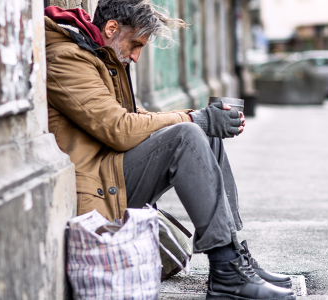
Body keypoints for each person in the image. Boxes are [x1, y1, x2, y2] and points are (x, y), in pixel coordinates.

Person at [44, 1, 295, 299]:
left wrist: (202, 117)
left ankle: (232, 256)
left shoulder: (99, 55)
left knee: (201, 130)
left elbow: (139, 118)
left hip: (111, 171)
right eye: (135, 44)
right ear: (111, 28)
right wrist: (192, 119)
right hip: (96, 184)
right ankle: (228, 273)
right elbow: (119, 128)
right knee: (188, 133)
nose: (136, 57)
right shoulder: (65, 57)